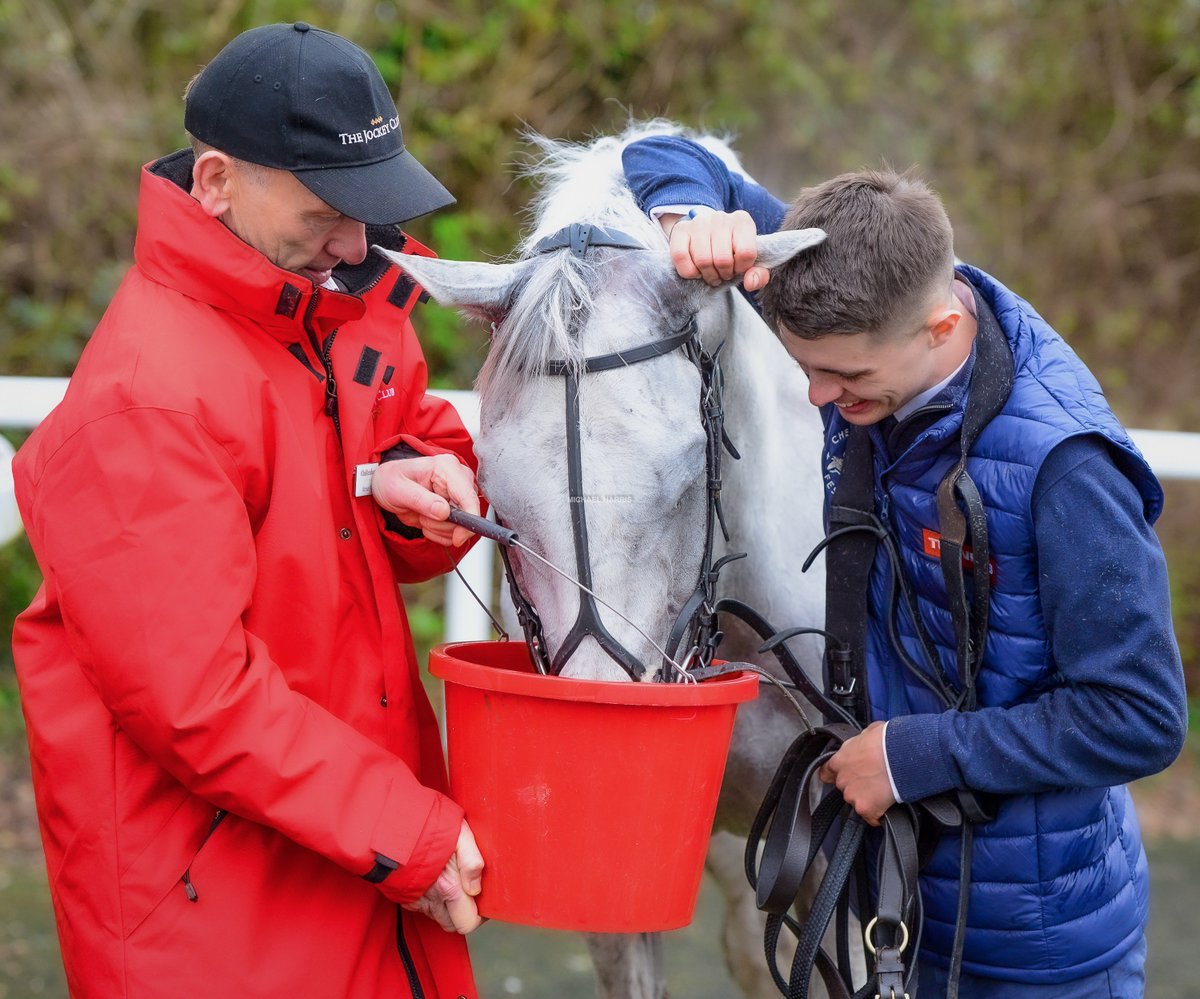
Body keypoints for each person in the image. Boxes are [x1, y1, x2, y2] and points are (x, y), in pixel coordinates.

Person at [623, 133, 1188, 997]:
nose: (819, 397)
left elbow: (1140, 716)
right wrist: (694, 217)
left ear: (942, 327)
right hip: (896, 913)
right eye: (805, 367)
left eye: (844, 375)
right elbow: (661, 151)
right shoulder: (847, 271)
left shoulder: (1066, 470)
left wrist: (912, 756)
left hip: (1037, 954)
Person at [12, 23, 486, 999]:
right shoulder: (143, 402)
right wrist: (407, 831)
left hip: (346, 851)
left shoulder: (325, 304)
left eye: (372, 209)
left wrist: (402, 478)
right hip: (218, 907)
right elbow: (195, 700)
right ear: (218, 182)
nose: (357, 243)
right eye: (327, 212)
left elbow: (410, 422)